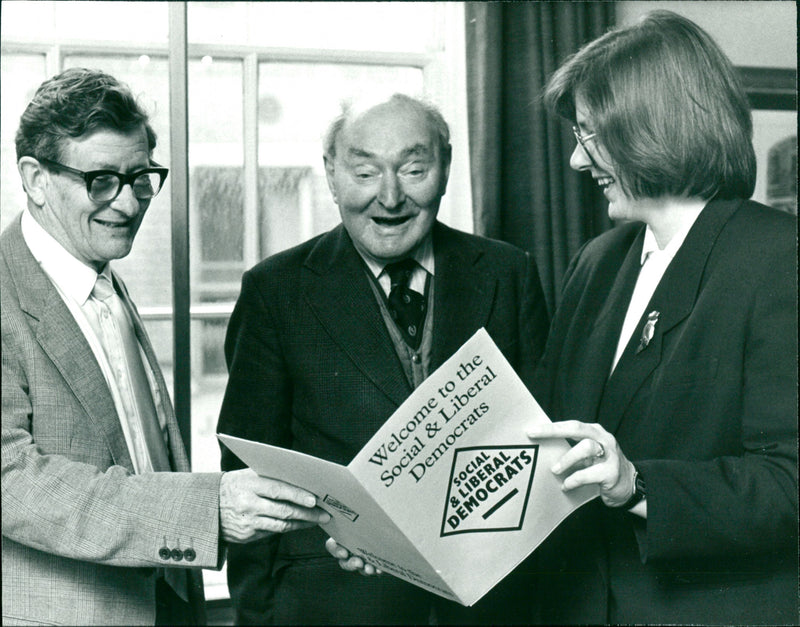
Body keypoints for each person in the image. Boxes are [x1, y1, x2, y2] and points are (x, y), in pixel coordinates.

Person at [1, 68, 331, 627]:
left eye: (141, 179)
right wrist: (209, 509)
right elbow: (10, 481)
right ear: (34, 179)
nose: (129, 205)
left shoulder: (98, 273)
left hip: (165, 602)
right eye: (101, 180)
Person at [216, 93, 550, 625]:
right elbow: (248, 472)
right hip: (331, 609)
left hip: (491, 605)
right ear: (330, 174)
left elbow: (542, 447)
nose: (390, 197)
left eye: (414, 169)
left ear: (444, 170)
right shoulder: (274, 291)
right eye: (366, 172)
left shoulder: (509, 274)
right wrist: (260, 615)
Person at [525, 10, 798, 625]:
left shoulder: (780, 258)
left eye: (589, 134)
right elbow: (547, 443)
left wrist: (638, 484)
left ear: (651, 126)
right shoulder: (597, 262)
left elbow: (791, 482)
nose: (573, 160)